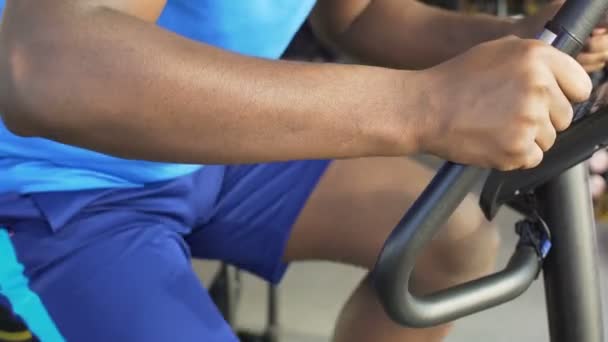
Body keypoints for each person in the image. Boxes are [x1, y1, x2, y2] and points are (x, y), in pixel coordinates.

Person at [0, 1, 607, 341]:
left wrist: (516, 39)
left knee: (450, 243)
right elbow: (47, 67)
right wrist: (426, 105)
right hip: (51, 181)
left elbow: (357, 16)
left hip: (209, 155)